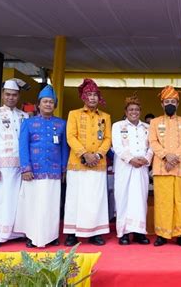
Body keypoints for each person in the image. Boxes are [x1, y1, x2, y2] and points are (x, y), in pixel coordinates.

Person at [14, 85, 69, 248]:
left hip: (53, 171)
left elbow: (64, 148)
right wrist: (26, 168)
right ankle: (32, 236)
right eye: (45, 102)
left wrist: (63, 168)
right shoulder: (28, 123)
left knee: (51, 205)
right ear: (39, 104)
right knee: (33, 204)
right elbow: (23, 146)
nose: (48, 105)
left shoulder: (61, 124)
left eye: (51, 102)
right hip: (33, 171)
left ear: (55, 105)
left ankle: (51, 236)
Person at [64, 79, 112, 246]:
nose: (92, 98)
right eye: (89, 95)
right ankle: (71, 233)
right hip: (78, 163)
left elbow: (107, 139)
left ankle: (95, 232)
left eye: (95, 95)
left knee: (95, 199)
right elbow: (71, 136)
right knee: (74, 198)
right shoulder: (74, 114)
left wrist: (97, 155)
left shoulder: (105, 117)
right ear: (83, 97)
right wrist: (84, 154)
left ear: (99, 98)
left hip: (98, 164)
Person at [0, 78, 29, 248]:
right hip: (1, 165)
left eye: (14, 95)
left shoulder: (24, 115)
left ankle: (13, 233)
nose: (11, 98)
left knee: (17, 199)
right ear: (3, 95)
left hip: (20, 166)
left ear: (18, 96)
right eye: (8, 94)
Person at [148, 85, 181, 247]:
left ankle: (180, 233)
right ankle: (162, 234)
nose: (170, 104)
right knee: (162, 201)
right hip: (161, 167)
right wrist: (166, 156)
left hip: (180, 167)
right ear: (161, 104)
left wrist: (175, 158)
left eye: (173, 101)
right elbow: (153, 142)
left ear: (178, 104)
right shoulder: (154, 122)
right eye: (167, 101)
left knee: (180, 201)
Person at [112, 94, 153, 245]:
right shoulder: (118, 126)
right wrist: (131, 159)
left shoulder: (147, 127)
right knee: (123, 199)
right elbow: (117, 146)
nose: (134, 112)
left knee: (140, 199)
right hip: (124, 167)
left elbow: (152, 147)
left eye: (136, 109)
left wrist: (146, 159)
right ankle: (123, 233)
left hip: (141, 168)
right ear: (126, 111)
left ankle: (139, 233)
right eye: (131, 109)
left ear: (140, 111)